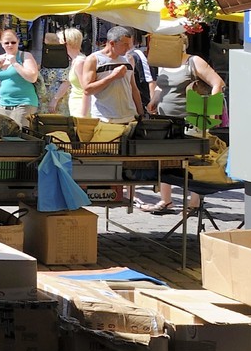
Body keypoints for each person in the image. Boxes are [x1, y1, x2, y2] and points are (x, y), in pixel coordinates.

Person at [137, 47, 227, 214]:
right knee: (164, 158)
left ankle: (194, 204)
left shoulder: (193, 61)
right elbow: (161, 87)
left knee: (192, 160)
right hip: (165, 120)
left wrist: (211, 111)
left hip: (190, 120)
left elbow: (218, 83)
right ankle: (166, 201)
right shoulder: (164, 63)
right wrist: (154, 101)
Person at [78, 25, 142, 123]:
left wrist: (141, 113)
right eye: (124, 44)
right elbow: (87, 90)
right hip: (105, 118)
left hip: (129, 116)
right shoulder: (94, 59)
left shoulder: (129, 59)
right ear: (112, 43)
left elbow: (133, 87)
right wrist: (113, 76)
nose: (128, 48)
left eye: (129, 44)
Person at [0, 30, 40, 127]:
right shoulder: (0, 59)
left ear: (18, 41)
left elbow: (32, 77)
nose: (10, 45)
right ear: (1, 44)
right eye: (6, 43)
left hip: (24, 102)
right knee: (5, 135)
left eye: (13, 42)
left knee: (20, 134)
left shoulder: (25, 56)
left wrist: (15, 63)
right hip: (4, 103)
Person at [48, 27, 91, 116]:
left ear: (66, 42)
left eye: (59, 40)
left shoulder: (80, 62)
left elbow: (86, 89)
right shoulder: (75, 60)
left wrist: (83, 114)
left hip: (81, 106)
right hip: (75, 105)